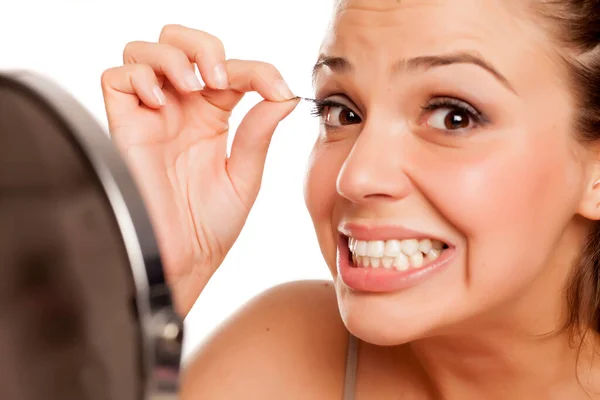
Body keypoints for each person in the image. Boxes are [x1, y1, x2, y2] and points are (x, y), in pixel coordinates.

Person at [100, 0, 600, 398]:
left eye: (454, 116)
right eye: (342, 112)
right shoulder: (279, 357)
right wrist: (147, 280)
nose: (355, 177)